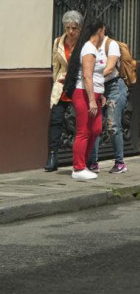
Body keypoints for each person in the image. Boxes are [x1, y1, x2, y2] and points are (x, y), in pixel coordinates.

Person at [61, 17, 114, 181]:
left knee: (96, 129)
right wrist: (91, 100)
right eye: (103, 31)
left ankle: (84, 163)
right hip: (83, 94)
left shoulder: (94, 48)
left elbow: (96, 76)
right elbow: (87, 75)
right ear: (99, 31)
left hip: (94, 94)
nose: (104, 34)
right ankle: (78, 168)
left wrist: (100, 95)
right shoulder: (89, 49)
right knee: (83, 131)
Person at [44, 10, 83, 172]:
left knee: (81, 123)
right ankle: (53, 156)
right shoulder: (58, 42)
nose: (70, 32)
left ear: (79, 28)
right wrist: (57, 83)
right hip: (61, 87)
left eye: (74, 28)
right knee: (56, 121)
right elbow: (56, 66)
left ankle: (82, 159)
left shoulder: (84, 44)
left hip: (78, 85)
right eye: (68, 28)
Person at [88, 29, 129, 174]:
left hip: (114, 87)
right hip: (97, 87)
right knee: (95, 126)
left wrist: (91, 76)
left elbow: (110, 67)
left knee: (113, 125)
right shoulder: (90, 46)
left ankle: (120, 163)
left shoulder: (110, 44)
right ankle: (93, 162)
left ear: (101, 30)